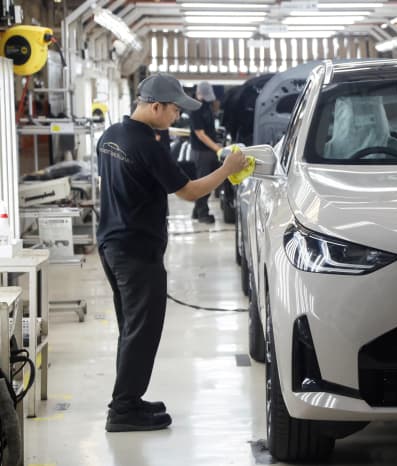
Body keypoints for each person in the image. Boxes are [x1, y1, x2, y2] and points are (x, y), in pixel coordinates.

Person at [96, 73, 247, 432]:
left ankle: (128, 400)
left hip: (111, 244)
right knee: (142, 331)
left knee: (131, 328)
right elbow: (189, 191)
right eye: (175, 109)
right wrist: (227, 169)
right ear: (155, 106)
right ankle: (123, 410)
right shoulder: (147, 146)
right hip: (136, 251)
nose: (177, 116)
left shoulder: (110, 136)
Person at [188, 81, 223, 223]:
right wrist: (217, 148)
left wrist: (216, 144)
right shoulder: (195, 109)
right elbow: (200, 134)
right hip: (201, 152)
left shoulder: (206, 106)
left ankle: (197, 211)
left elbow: (209, 129)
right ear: (199, 93)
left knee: (208, 183)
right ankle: (203, 214)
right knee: (204, 184)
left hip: (209, 150)